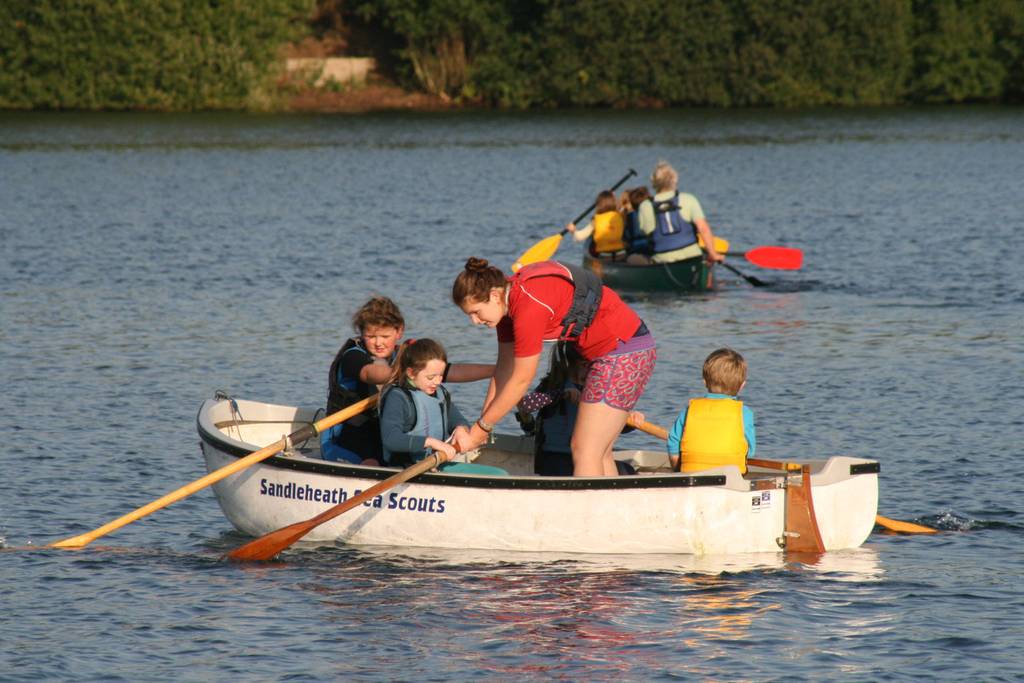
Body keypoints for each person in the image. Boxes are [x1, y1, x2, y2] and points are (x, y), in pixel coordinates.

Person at [451, 257, 656, 476]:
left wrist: (482, 428)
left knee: (584, 450)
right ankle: (607, 509)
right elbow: (503, 372)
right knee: (598, 452)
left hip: (624, 350)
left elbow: (521, 380)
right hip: (615, 353)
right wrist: (481, 429)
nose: (474, 321)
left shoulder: (528, 306)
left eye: (476, 312)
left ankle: (587, 510)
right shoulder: (506, 310)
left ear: (494, 295)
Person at [322, 296, 493, 466]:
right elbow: (370, 373)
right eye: (371, 336)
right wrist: (408, 373)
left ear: (399, 331)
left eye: (385, 336)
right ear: (361, 333)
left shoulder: (404, 356)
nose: (378, 343)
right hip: (347, 434)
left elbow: (448, 370)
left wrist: (496, 370)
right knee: (372, 463)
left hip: (383, 431)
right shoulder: (352, 356)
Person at [379, 338, 507, 475]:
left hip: (435, 464)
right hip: (406, 469)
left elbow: (457, 419)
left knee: (499, 473)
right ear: (411, 373)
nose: (437, 382)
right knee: (498, 475)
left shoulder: (440, 393)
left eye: (440, 376)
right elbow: (391, 439)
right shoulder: (398, 398)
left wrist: (461, 429)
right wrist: (432, 443)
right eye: (430, 377)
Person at [517, 343, 639, 476]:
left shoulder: (599, 390)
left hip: (588, 456)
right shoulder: (554, 385)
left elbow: (609, 429)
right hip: (555, 456)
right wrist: (561, 394)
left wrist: (628, 421)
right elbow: (525, 405)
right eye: (586, 365)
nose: (592, 370)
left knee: (628, 471)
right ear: (572, 364)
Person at [666, 348, 756, 474]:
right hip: (732, 477)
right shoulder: (744, 413)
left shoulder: (690, 410)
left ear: (704, 382)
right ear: (742, 386)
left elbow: (673, 443)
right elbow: (750, 451)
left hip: (691, 474)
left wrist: (677, 470)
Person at [631, 160, 724, 266]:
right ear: (675, 179)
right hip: (692, 257)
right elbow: (703, 229)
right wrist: (713, 254)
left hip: (663, 260)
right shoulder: (689, 199)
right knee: (707, 259)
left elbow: (645, 232)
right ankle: (706, 280)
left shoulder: (645, 206)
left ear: (653, 183)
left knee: (632, 258)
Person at [565, 190, 626, 259]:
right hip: (621, 253)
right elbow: (621, 207)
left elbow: (579, 237)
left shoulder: (595, 220)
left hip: (604, 255)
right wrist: (613, 196)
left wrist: (573, 230)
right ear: (614, 203)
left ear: (598, 205)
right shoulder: (620, 216)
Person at [620, 186, 653, 260]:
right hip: (651, 248)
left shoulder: (628, 216)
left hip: (635, 250)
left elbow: (626, 238)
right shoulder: (653, 213)